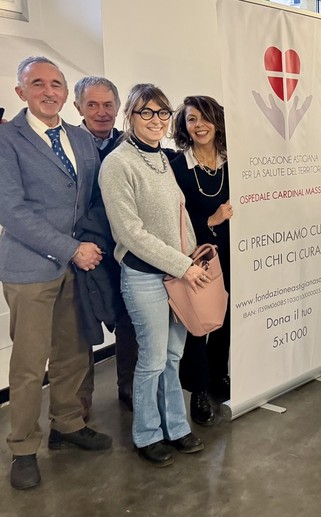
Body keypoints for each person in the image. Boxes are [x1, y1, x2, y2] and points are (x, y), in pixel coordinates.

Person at [0, 56, 112, 491]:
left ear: (68, 93)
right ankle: (23, 448)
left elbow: (89, 201)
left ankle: (67, 425)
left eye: (57, 84)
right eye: (38, 83)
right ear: (20, 91)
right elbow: (12, 210)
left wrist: (90, 245)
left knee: (74, 352)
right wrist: (71, 249)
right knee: (29, 364)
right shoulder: (7, 140)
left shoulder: (81, 140)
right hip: (31, 268)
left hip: (78, 268)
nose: (49, 91)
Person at [100, 84, 205, 467]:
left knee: (174, 356)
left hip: (178, 274)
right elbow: (130, 233)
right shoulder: (118, 163)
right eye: (147, 113)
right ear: (130, 115)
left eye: (163, 113)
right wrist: (183, 265)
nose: (157, 120)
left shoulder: (163, 158)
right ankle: (146, 434)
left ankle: (176, 427)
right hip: (145, 277)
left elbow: (179, 218)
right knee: (153, 360)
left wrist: (192, 258)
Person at [73, 76, 138, 416]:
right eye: (92, 105)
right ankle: (78, 406)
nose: (101, 112)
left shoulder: (129, 144)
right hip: (79, 250)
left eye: (108, 105)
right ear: (78, 107)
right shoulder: (67, 144)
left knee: (128, 319)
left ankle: (127, 387)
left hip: (123, 250)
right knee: (80, 327)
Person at [170, 95, 232, 426]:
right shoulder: (178, 167)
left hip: (235, 252)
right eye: (192, 119)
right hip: (199, 257)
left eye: (205, 118)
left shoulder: (232, 161)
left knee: (227, 317)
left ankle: (219, 375)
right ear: (184, 125)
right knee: (199, 324)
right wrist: (211, 220)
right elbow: (174, 219)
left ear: (217, 122)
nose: (199, 125)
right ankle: (198, 390)